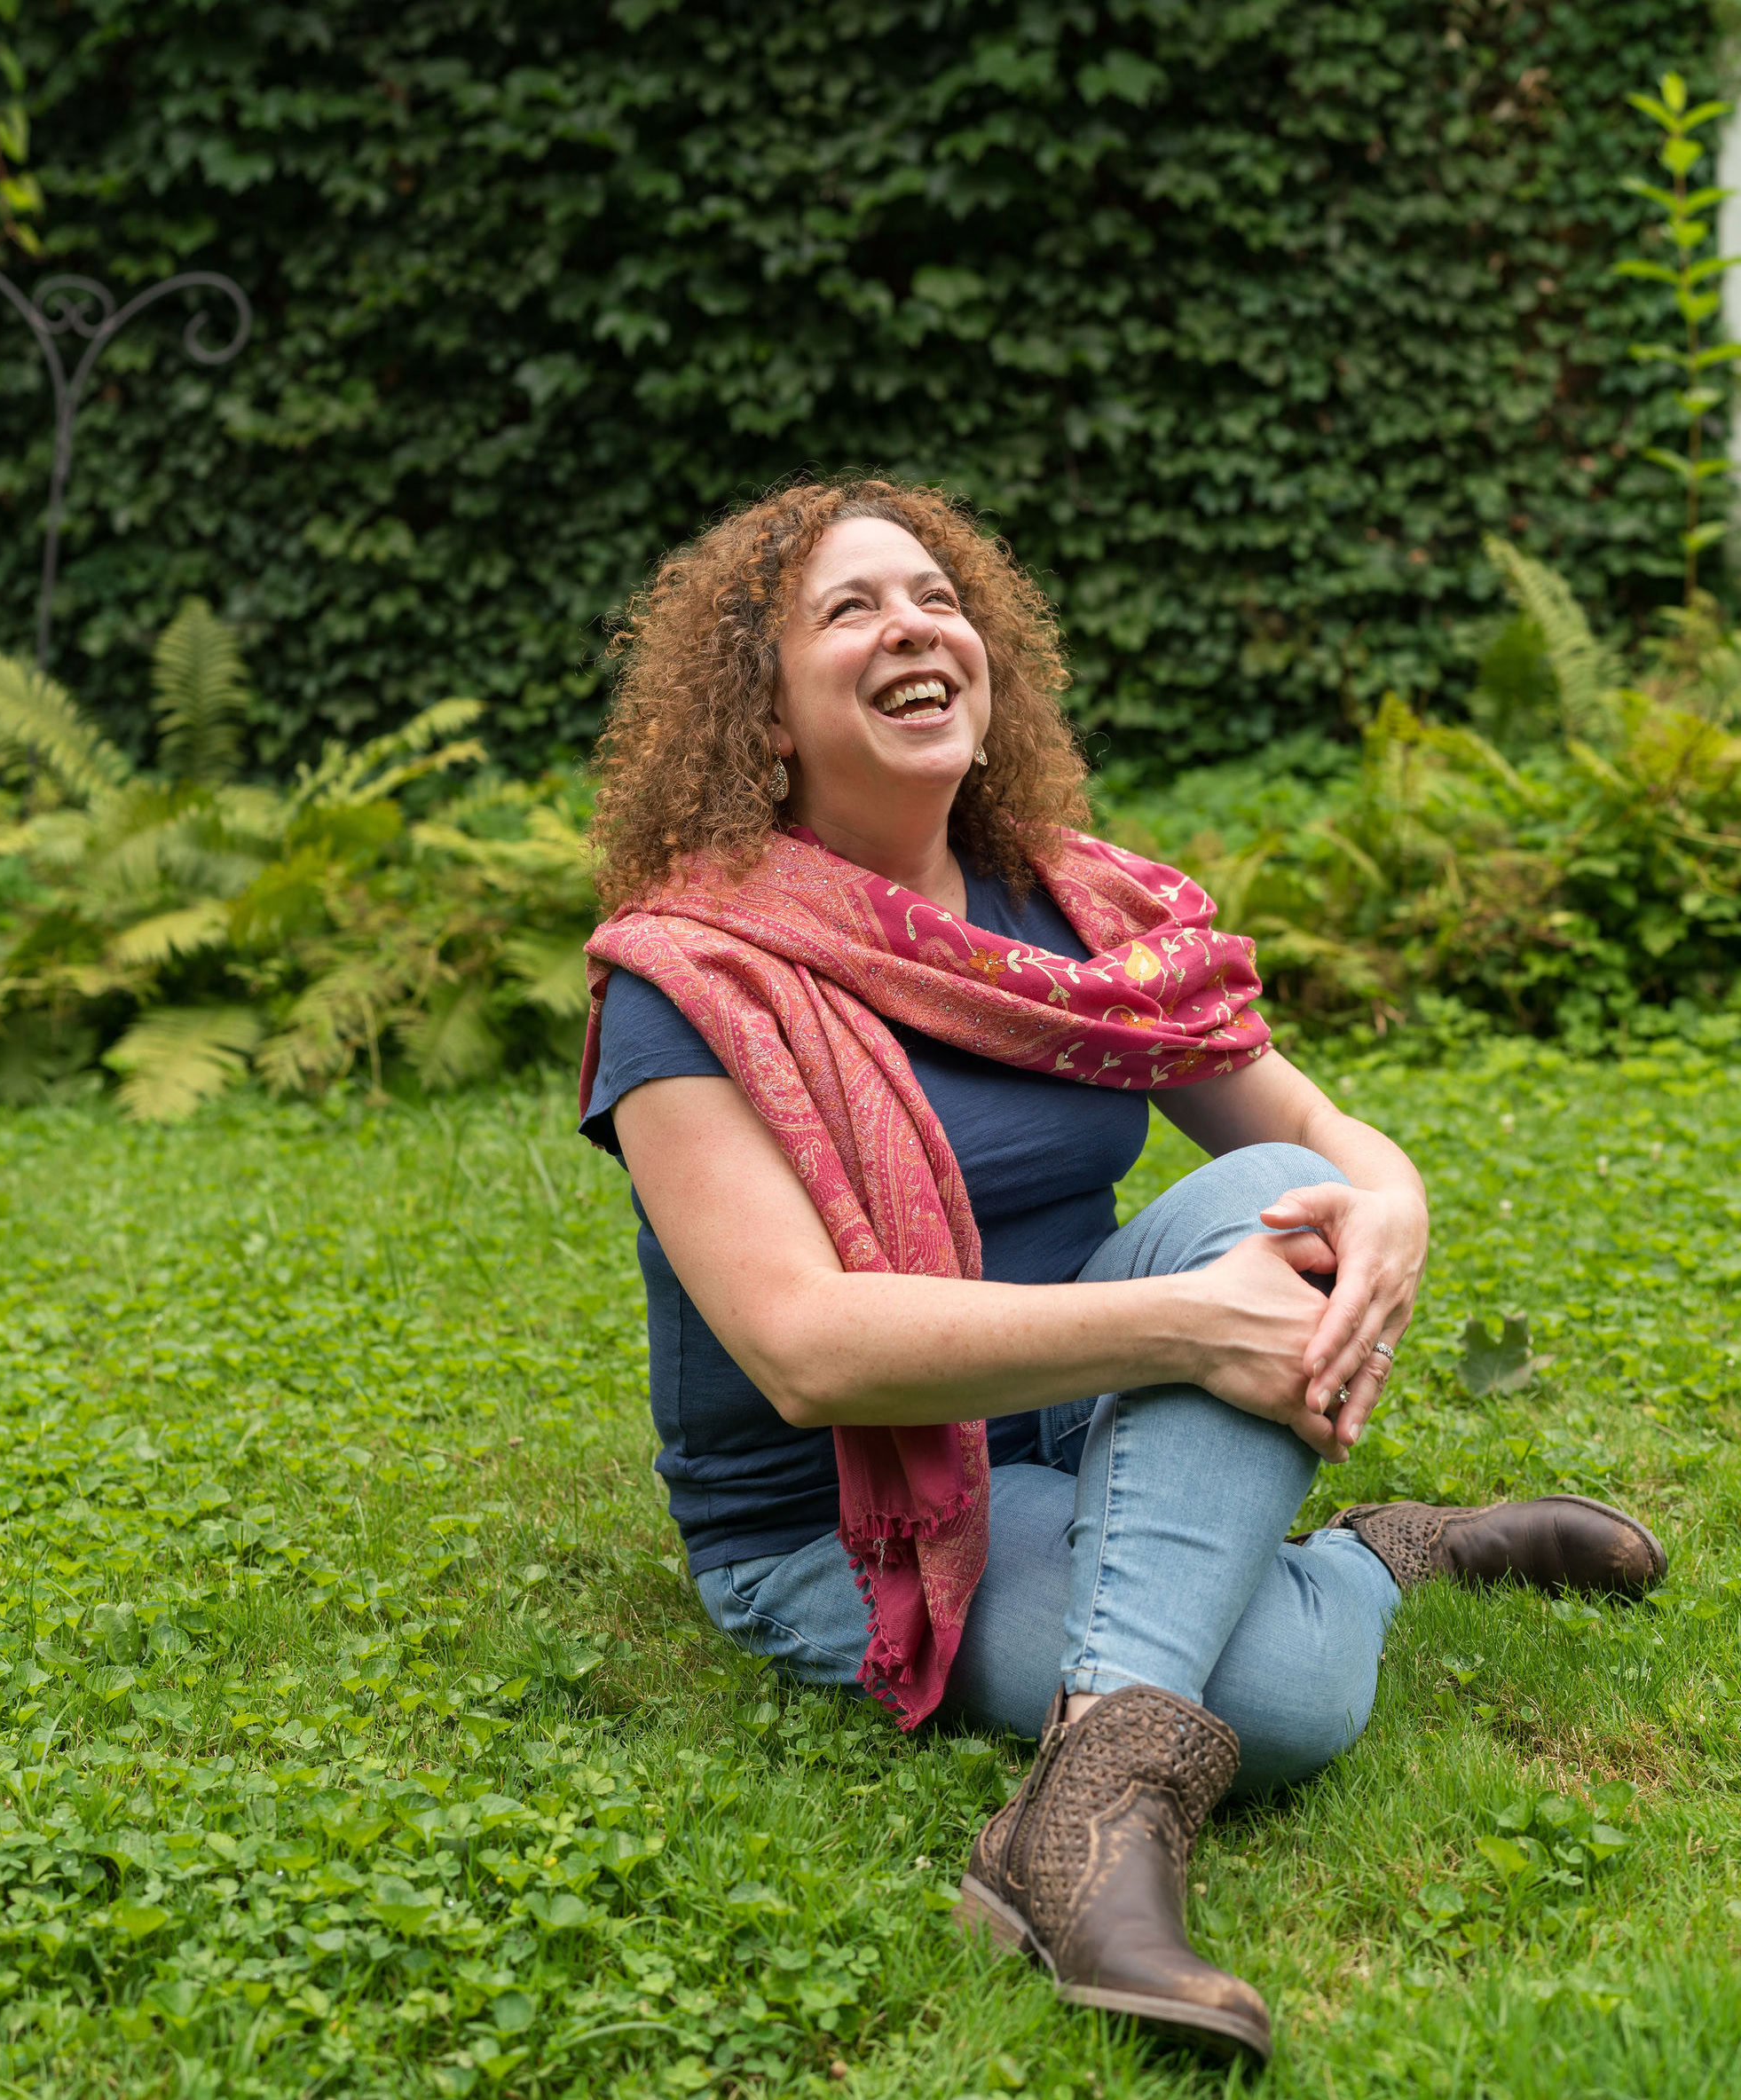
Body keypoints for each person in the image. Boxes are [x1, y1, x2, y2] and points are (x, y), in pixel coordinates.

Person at [576, 478, 1665, 2065]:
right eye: (852, 608)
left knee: (1286, 1193)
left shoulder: (1072, 909)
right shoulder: (686, 975)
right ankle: (1380, 1561)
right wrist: (1183, 1327)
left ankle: (1085, 1823)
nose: (915, 625)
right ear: (764, 706)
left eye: (938, 596)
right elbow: (805, 1347)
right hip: (841, 1515)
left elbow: (1303, 1133)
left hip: (1075, 1420)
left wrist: (1395, 1202)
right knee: (1290, 1696)